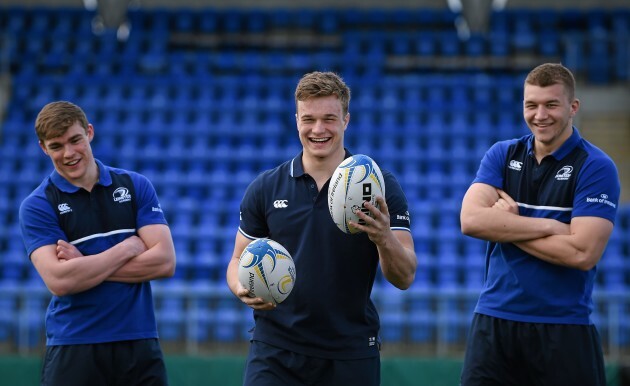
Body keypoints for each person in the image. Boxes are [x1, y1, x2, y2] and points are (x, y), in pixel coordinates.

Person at [226, 71, 417, 386]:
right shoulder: (266, 187)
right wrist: (241, 287)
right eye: (308, 119)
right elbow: (236, 260)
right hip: (275, 351)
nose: (318, 129)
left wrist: (384, 238)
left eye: (329, 118)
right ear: (296, 119)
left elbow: (405, 276)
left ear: (346, 120)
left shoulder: (378, 186)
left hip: (350, 352)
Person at [459, 63, 620, 386]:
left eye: (551, 104)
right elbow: (471, 220)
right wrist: (549, 227)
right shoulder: (502, 155)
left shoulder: (596, 166)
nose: (540, 115)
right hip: (494, 321)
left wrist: (508, 224)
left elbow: (582, 253)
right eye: (531, 105)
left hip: (563, 328)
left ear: (573, 107)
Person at [19, 101, 176, 386]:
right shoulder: (38, 205)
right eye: (56, 146)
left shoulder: (134, 185)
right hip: (74, 344)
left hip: (138, 341)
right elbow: (59, 281)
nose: (68, 153)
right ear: (43, 148)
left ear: (89, 133)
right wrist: (126, 248)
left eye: (75, 140)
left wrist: (82, 265)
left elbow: (164, 262)